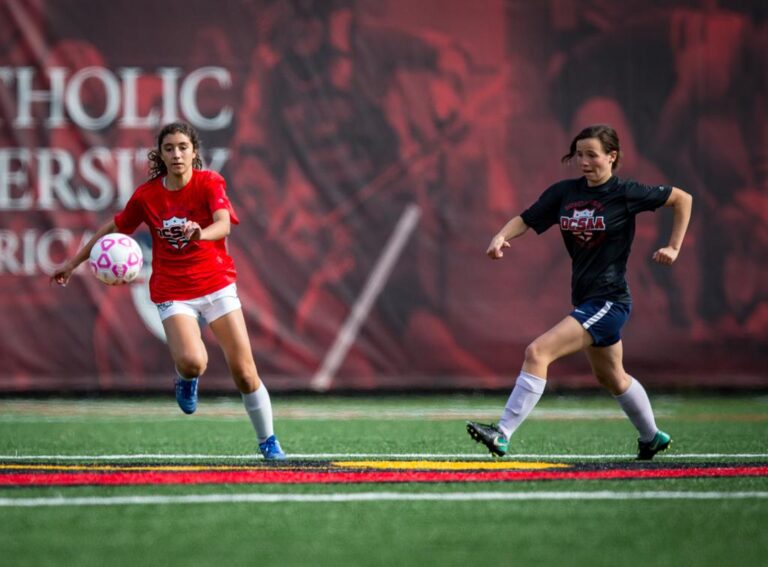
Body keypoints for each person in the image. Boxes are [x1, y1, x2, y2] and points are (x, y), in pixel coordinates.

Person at [52, 121, 286, 460]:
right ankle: (185, 378)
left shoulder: (209, 182)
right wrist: (73, 263)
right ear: (160, 155)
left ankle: (268, 441)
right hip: (173, 290)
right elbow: (114, 227)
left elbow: (223, 224)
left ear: (194, 152)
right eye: (169, 148)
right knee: (193, 362)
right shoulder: (148, 195)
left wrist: (200, 234)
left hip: (217, 285)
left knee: (246, 373)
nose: (176, 154)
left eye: (182, 147)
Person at [466, 124, 692, 460]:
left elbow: (681, 198)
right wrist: (502, 236)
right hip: (589, 299)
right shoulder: (565, 193)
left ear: (611, 157)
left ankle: (502, 433)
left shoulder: (625, 193)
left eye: (592, 155)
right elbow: (527, 218)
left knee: (537, 352)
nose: (583, 162)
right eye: (579, 155)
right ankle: (652, 437)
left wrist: (673, 247)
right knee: (612, 376)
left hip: (609, 300)